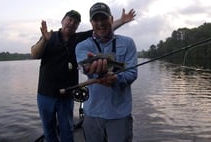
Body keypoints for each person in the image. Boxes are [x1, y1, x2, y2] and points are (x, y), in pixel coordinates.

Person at [31, 8, 136, 142]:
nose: (71, 23)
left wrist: (121, 21)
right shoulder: (49, 36)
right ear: (63, 21)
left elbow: (102, 28)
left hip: (67, 94)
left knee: (67, 127)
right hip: (45, 93)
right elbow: (34, 54)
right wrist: (44, 40)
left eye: (75, 22)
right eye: (69, 19)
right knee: (48, 128)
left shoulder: (79, 39)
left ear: (77, 26)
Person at [75, 2, 138, 142]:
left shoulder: (128, 43)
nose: (100, 23)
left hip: (120, 114)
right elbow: (85, 67)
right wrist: (91, 68)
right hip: (92, 113)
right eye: (96, 20)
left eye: (103, 18)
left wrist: (116, 78)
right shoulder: (82, 46)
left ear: (111, 19)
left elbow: (132, 74)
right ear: (91, 22)